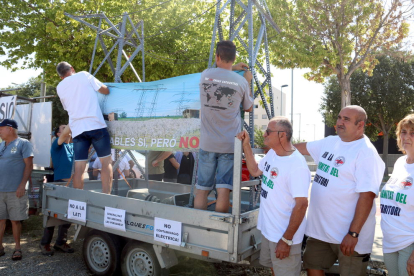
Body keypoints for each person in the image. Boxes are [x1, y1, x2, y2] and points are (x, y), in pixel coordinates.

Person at [295, 105, 385, 276]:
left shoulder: (366, 153)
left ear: (360, 125)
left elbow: (367, 197)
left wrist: (353, 233)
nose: (340, 122)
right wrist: (278, 148)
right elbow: (301, 148)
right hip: (320, 232)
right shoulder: (330, 142)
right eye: (339, 117)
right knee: (312, 266)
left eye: (346, 119)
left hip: (349, 236)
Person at [236, 117, 310, 275]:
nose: (264, 135)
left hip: (284, 237)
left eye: (268, 132)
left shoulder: (297, 165)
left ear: (282, 135)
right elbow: (255, 171)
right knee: (274, 269)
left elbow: (302, 205)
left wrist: (286, 240)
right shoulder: (273, 154)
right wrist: (246, 145)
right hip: (269, 232)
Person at [194, 40, 254, 213]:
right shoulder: (241, 82)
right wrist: (247, 80)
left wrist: (232, 67)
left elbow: (219, 70)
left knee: (202, 189)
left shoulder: (206, 75)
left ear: (217, 56)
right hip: (229, 144)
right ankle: (220, 229)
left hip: (207, 143)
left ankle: (199, 224)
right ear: (234, 57)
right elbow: (248, 107)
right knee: (223, 189)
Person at [56, 61, 113, 194]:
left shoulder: (59, 87)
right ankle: (106, 196)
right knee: (106, 163)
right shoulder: (83, 75)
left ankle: (78, 199)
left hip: (77, 130)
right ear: (72, 68)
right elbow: (105, 90)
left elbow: (67, 107)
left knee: (79, 167)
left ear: (60, 76)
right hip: (95, 124)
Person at [380, 114, 414, 276]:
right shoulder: (400, 162)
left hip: (409, 244)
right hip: (389, 243)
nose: (406, 136)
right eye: (404, 131)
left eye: (413, 133)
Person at [0, 119, 33, 261]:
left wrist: (22, 185)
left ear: (10, 129)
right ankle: (0, 247)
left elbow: (29, 166)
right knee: (0, 219)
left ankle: (17, 248)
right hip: (1, 190)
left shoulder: (23, 143)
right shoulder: (1, 145)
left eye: (1, 128)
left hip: (15, 190)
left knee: (15, 220)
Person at [39, 124, 74, 256]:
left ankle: (60, 242)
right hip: (59, 184)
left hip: (72, 186)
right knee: (53, 214)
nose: (67, 128)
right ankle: (45, 243)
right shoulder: (56, 144)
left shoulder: (72, 146)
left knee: (68, 215)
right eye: (63, 127)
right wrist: (74, 116)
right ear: (59, 134)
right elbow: (66, 134)